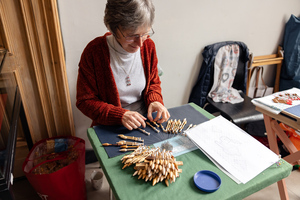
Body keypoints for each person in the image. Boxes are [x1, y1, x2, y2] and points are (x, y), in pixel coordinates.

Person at [76, 0, 170, 131]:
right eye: (132, 36)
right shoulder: (94, 52)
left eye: (145, 34)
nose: (140, 44)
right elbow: (85, 101)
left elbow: (153, 83)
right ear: (113, 28)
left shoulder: (148, 46)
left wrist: (155, 101)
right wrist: (120, 115)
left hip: (145, 121)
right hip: (111, 127)